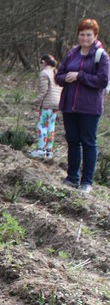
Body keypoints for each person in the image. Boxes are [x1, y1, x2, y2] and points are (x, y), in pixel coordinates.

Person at [55, 18, 109, 194]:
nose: (85, 38)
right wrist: (67, 78)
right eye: (82, 34)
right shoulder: (72, 53)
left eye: (88, 35)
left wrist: (80, 76)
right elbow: (59, 76)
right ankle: (72, 177)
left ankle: (87, 182)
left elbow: (102, 80)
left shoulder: (101, 56)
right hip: (70, 105)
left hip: (89, 107)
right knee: (72, 141)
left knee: (88, 142)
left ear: (95, 36)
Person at [29, 55, 62, 160]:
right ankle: (49, 150)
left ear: (43, 62)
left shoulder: (44, 73)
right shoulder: (56, 73)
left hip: (47, 104)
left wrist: (36, 101)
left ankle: (41, 149)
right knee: (51, 127)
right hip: (56, 104)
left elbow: (44, 91)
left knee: (42, 125)